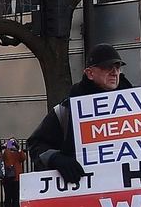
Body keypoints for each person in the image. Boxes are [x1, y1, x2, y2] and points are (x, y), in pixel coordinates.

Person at [26, 45, 130, 183]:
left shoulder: (138, 105)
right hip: (83, 189)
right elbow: (36, 144)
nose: (114, 72)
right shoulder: (66, 110)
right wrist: (56, 158)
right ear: (90, 73)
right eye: (107, 67)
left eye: (117, 67)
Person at [0, 138, 26, 207]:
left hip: (16, 178)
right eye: (10, 142)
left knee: (16, 197)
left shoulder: (17, 153)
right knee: (8, 197)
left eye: (13, 142)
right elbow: (1, 157)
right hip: (7, 177)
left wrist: (18, 149)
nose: (12, 144)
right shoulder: (5, 152)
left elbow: (23, 158)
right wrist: (6, 148)